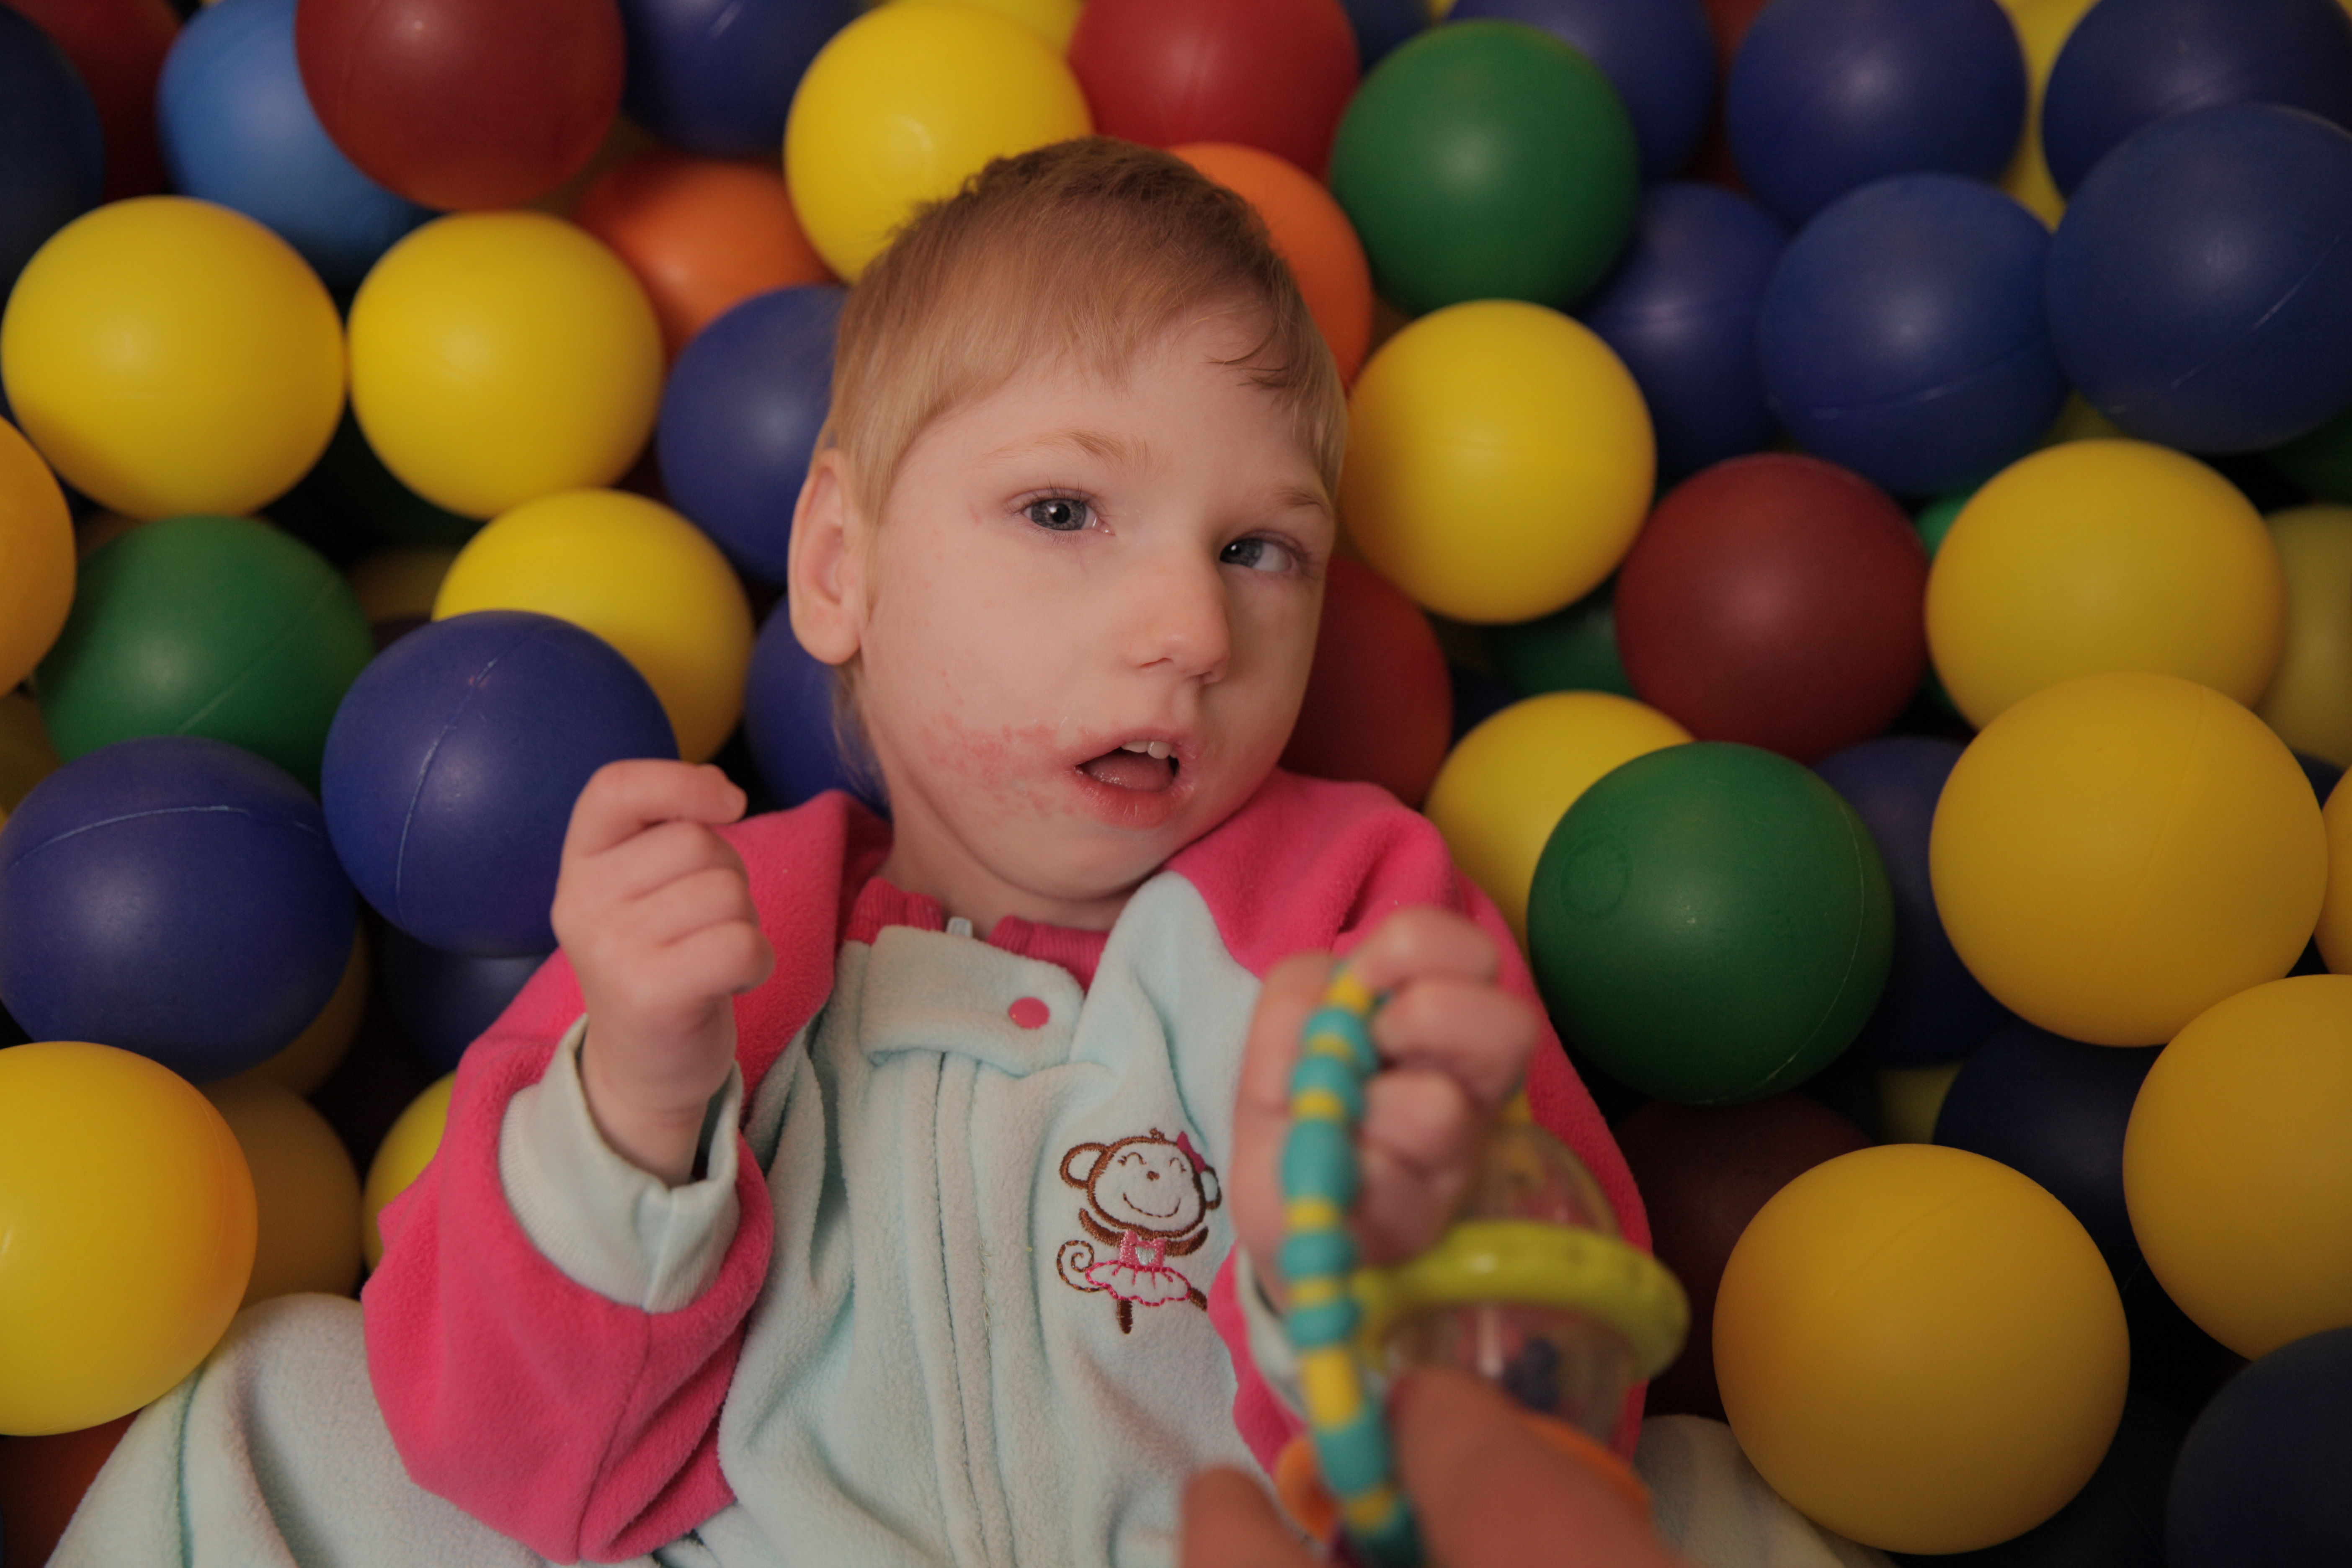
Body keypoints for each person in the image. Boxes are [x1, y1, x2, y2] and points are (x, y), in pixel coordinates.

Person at [53, 137, 1646, 1568]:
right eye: (1065, 511)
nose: (1193, 627)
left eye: (1260, 549)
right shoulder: (711, 939)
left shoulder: (1352, 914)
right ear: (838, 567)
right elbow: (516, 1467)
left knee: (1712, 1499)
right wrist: (634, 1114)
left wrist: (1388, 1252)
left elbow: (1556, 1443)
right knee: (276, 1405)